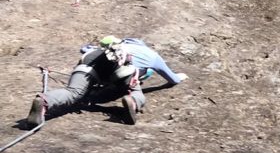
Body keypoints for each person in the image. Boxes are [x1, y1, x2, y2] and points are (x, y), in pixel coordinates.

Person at [26, 36, 187, 128]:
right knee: (135, 90)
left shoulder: (115, 47)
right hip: (122, 70)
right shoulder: (153, 56)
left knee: (73, 92)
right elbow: (172, 79)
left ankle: (45, 101)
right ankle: (133, 101)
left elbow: (85, 50)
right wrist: (179, 76)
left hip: (90, 62)